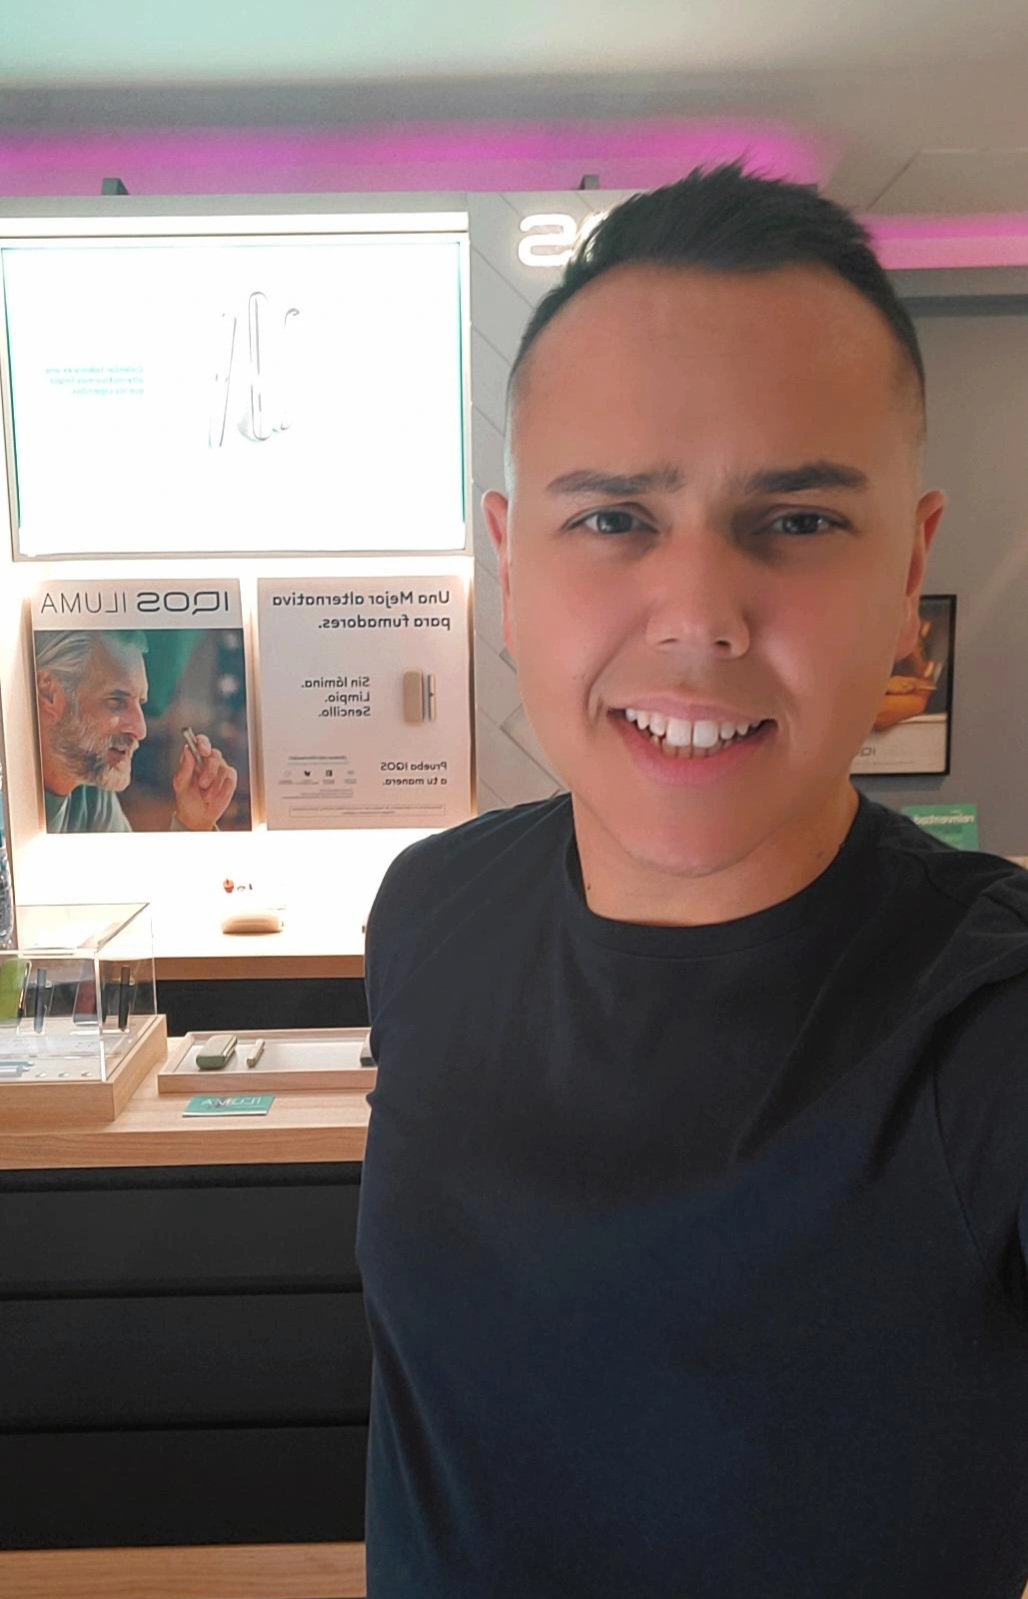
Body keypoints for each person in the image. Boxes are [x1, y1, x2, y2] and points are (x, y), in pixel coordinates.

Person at [356, 163, 1028, 1599]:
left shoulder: (989, 1027)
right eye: (613, 518)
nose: (700, 616)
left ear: (909, 572)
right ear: (510, 562)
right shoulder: (426, 912)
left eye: (797, 521)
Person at [35, 629, 237, 832]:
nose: (141, 730)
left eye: (140, 703)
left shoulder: (91, 794)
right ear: (49, 693)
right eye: (116, 701)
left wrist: (194, 823)